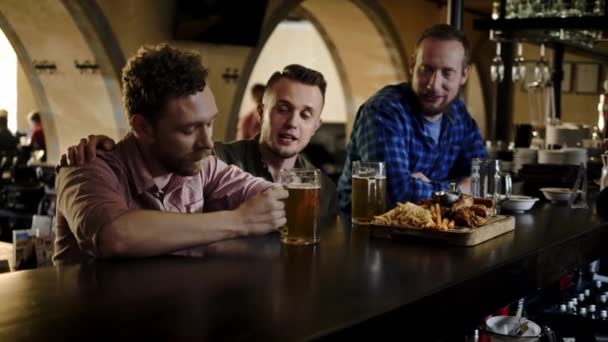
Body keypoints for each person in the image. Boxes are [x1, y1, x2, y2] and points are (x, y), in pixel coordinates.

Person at [53, 44, 288, 265]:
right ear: (142, 127)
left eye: (209, 123)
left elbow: (277, 199)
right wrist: (240, 221)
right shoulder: (84, 167)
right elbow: (115, 237)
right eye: (189, 129)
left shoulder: (204, 165)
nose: (207, 143)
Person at [60, 65, 338, 224]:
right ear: (262, 112)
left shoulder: (322, 188)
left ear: (316, 126)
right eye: (283, 109)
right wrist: (238, 222)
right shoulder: (212, 158)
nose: (292, 123)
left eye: (305, 114)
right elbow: (116, 235)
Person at [337, 24, 487, 212]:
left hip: (429, 231)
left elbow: (484, 178)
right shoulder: (384, 112)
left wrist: (431, 185)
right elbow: (399, 194)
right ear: (412, 65)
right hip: (364, 231)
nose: (434, 84)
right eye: (426, 69)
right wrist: (460, 188)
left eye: (447, 73)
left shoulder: (458, 113)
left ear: (464, 74)